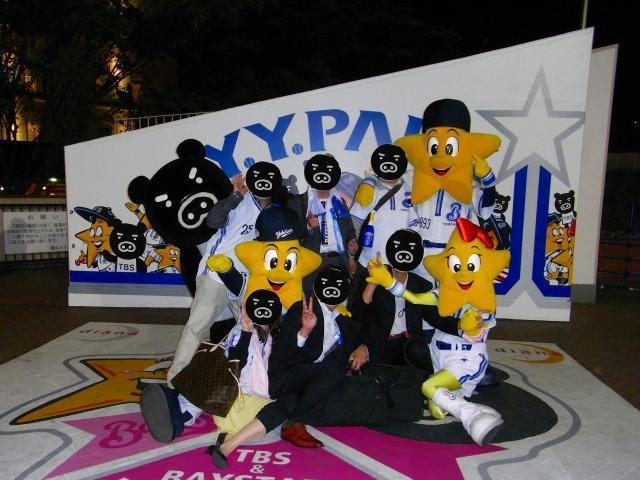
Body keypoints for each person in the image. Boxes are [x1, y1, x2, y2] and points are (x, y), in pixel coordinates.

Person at [207, 266, 360, 468]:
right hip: (269, 384)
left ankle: (228, 445)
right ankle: (296, 421)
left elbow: (356, 335)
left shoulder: (339, 320)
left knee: (289, 402)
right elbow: (270, 355)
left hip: (282, 388)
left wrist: (362, 348)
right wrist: (304, 332)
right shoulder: (300, 310)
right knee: (332, 371)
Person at [166, 162, 284, 386]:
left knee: (254, 329)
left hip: (245, 281)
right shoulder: (240, 200)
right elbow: (213, 221)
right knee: (196, 328)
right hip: (217, 275)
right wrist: (234, 197)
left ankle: (247, 382)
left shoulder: (274, 213)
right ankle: (176, 381)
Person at [141, 288, 282, 443]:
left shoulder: (276, 334)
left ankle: (176, 411)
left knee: (208, 392)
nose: (262, 312)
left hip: (249, 390)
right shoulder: (241, 330)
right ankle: (177, 415)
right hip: (235, 383)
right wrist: (246, 333)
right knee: (207, 389)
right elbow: (236, 362)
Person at [350, 229, 461, 371]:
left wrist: (462, 326)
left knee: (419, 359)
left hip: (408, 346)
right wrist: (373, 283)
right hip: (378, 345)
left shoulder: (421, 285)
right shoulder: (376, 273)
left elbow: (436, 318)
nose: (404, 254)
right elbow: (357, 313)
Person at [287, 154, 358, 295]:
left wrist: (351, 247)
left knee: (338, 302)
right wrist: (308, 226)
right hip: (312, 263)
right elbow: (289, 236)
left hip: (339, 261)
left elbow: (350, 230)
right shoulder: (298, 203)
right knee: (312, 303)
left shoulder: (340, 202)